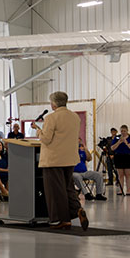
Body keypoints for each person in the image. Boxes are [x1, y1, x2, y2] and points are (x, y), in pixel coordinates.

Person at [32, 91, 87, 230]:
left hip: (53, 159)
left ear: (54, 103)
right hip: (70, 158)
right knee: (68, 188)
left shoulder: (51, 117)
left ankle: (62, 220)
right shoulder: (75, 117)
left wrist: (38, 131)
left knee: (56, 191)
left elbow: (46, 139)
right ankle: (77, 209)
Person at [111, 124, 130, 196]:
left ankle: (128, 190)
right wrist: (119, 142)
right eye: (122, 131)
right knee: (120, 175)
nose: (123, 132)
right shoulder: (117, 138)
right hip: (119, 156)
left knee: (128, 174)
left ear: (127, 131)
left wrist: (126, 143)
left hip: (128, 157)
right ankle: (121, 190)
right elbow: (112, 148)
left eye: (124, 131)